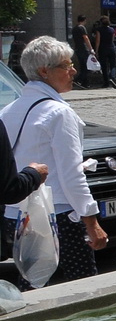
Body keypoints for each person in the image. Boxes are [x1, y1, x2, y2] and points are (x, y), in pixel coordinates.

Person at [1, 38, 106, 280]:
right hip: (57, 217)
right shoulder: (59, 113)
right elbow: (72, 175)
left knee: (32, 284)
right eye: (66, 65)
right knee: (80, 289)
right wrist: (91, 221)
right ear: (44, 71)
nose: (73, 71)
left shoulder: (8, 111)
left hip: (15, 216)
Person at [95, 16, 116, 89]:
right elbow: (112, 39)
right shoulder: (112, 30)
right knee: (113, 64)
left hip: (103, 49)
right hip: (111, 48)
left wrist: (96, 50)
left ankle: (106, 82)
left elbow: (98, 40)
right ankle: (112, 77)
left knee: (104, 66)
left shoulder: (99, 30)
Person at [71, 16, 92, 89]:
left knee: (82, 66)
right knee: (87, 67)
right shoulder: (82, 28)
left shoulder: (74, 29)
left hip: (77, 48)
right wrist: (91, 49)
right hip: (84, 48)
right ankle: (78, 80)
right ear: (84, 20)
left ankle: (85, 83)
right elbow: (86, 38)